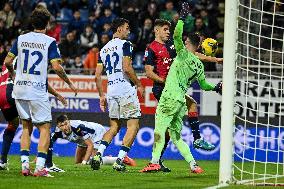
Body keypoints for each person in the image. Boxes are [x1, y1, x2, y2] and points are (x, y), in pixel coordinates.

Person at [140, 4, 222, 173]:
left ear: (186, 43)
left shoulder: (182, 53)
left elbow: (178, 34)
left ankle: (154, 161)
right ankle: (194, 164)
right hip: (179, 100)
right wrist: (217, 87)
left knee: (159, 130)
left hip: (169, 96)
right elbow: (205, 85)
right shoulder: (199, 65)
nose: (169, 33)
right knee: (176, 135)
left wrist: (183, 17)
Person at [4, 6, 77, 177]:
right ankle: (39, 168)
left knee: (26, 127)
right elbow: (57, 67)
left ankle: (24, 167)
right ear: (47, 24)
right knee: (45, 128)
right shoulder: (49, 41)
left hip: (20, 89)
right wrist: (69, 82)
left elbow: (8, 61)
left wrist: (14, 74)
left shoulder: (21, 39)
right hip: (36, 90)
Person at [91, 18, 145, 172]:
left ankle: (98, 154)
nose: (129, 31)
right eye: (127, 28)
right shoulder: (125, 44)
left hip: (111, 90)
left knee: (114, 126)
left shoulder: (103, 49)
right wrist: (139, 84)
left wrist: (102, 96)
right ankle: (119, 160)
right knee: (133, 126)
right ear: (120, 29)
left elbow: (97, 75)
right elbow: (127, 68)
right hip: (125, 89)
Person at [0, 62, 67, 171]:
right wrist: (57, 94)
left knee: (13, 124)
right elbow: (40, 81)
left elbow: (7, 66)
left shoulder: (10, 57)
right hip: (17, 91)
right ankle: (48, 165)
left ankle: (3, 161)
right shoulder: (30, 53)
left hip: (2, 93)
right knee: (44, 125)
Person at [43, 114, 136, 172]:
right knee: (77, 163)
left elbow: (90, 145)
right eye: (61, 125)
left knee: (94, 162)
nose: (65, 127)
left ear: (69, 122)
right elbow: (48, 144)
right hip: (82, 138)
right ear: (58, 126)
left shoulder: (77, 127)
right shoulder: (57, 132)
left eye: (66, 124)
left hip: (97, 133)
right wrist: (40, 157)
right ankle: (111, 159)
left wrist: (84, 163)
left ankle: (120, 159)